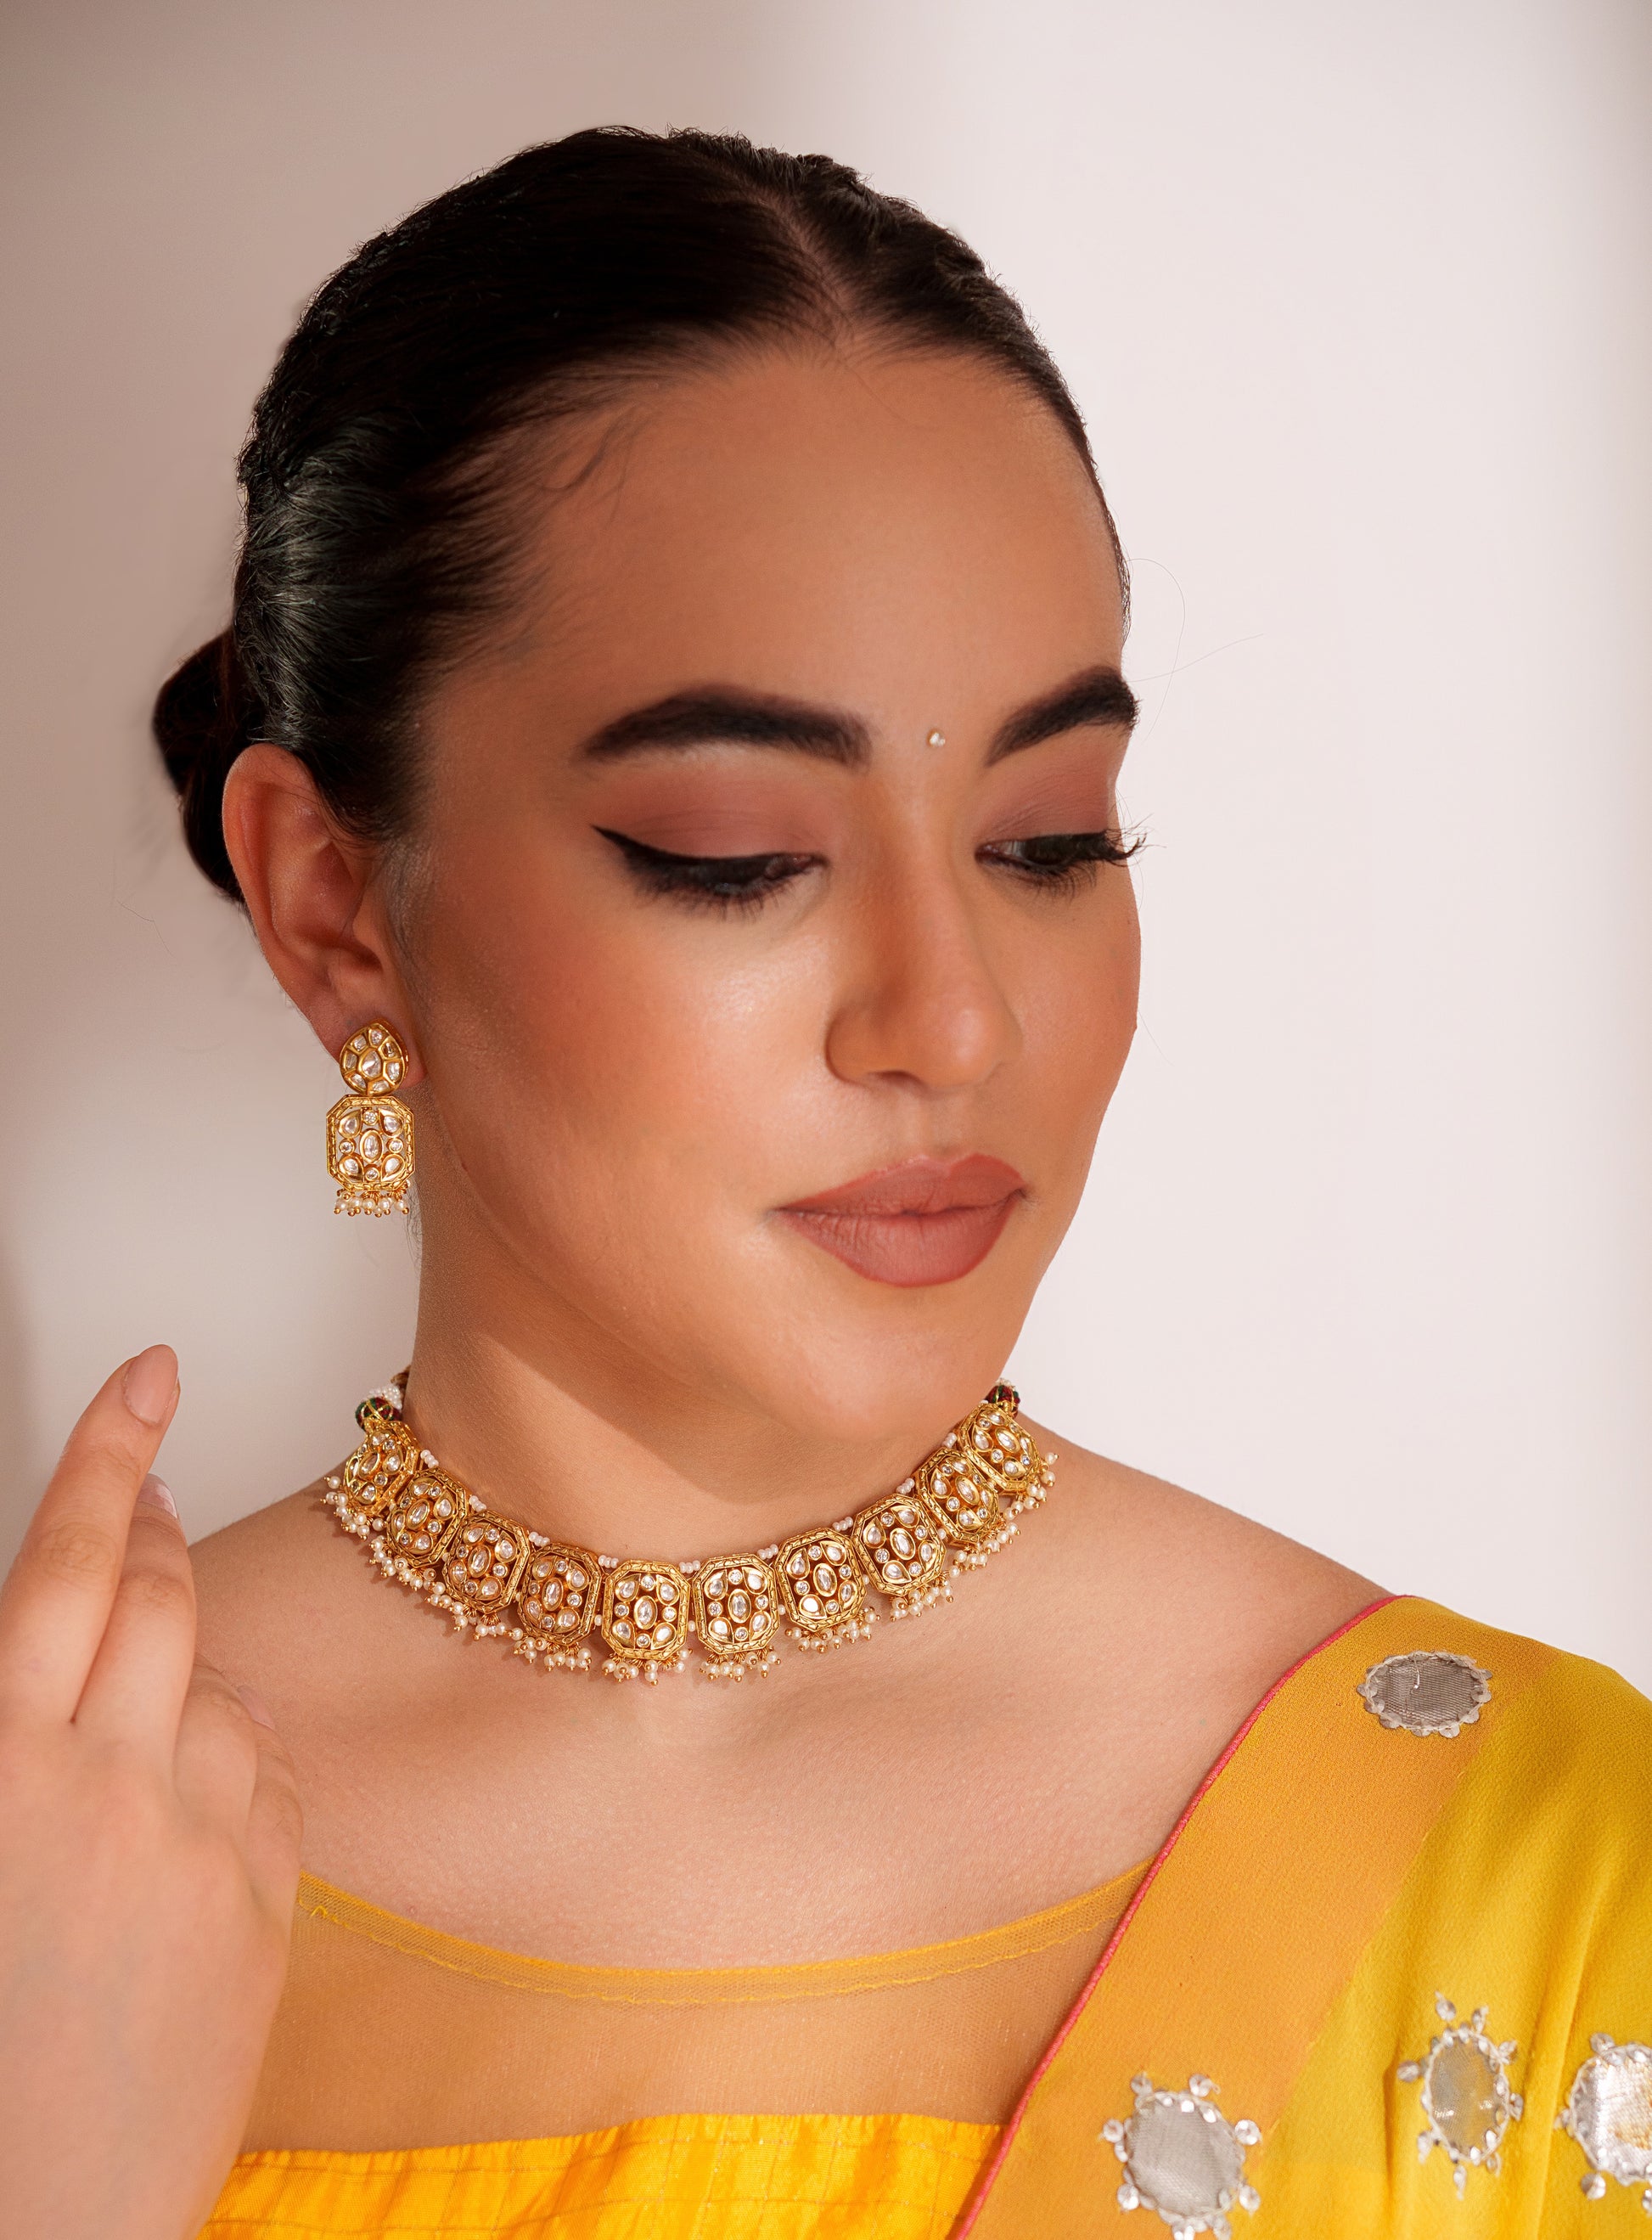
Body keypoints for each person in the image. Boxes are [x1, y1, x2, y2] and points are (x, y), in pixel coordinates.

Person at [1, 127, 1646, 2240]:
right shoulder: (47, 1869)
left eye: (1050, 838)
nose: (950, 1020)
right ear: (332, 901)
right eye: (736, 855)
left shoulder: (1534, 1874)